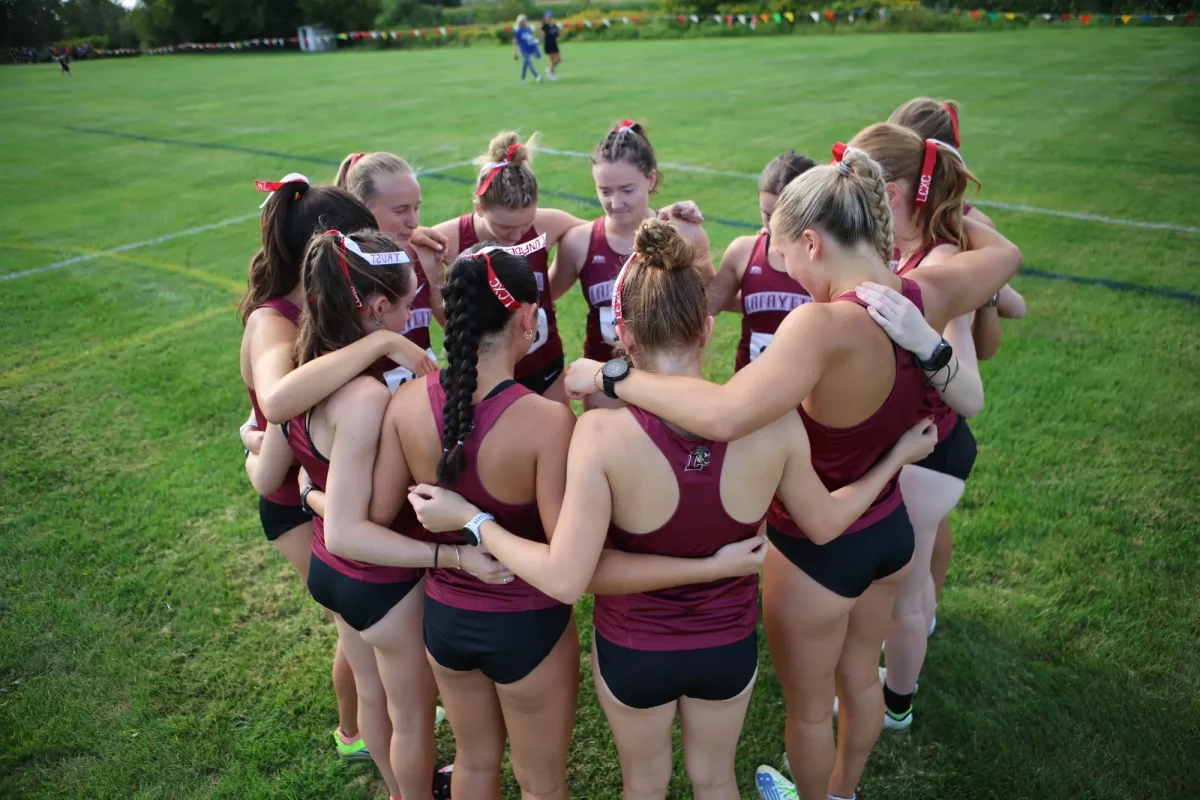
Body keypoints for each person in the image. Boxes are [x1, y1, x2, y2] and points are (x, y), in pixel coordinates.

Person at [407, 219, 938, 800]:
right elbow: (828, 522)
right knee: (715, 780)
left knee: (645, 784)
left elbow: (575, 573)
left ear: (624, 337)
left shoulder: (599, 435)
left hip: (636, 649)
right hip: (726, 646)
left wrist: (474, 522)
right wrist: (894, 461)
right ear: (708, 327)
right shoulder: (774, 423)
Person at [563, 148, 1022, 800]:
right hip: (890, 527)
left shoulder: (818, 325)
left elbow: (723, 415)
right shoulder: (926, 290)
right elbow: (1006, 258)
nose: (787, 270)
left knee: (810, 709)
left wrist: (613, 375)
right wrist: (943, 193)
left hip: (819, 550)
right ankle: (843, 793)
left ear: (813, 240)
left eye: (787, 254)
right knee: (862, 679)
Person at [356, 244, 578, 800]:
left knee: (474, 764)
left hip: (447, 621)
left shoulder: (406, 403)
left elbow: (378, 517)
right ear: (526, 316)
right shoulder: (547, 422)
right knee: (540, 781)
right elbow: (562, 553)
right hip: (530, 623)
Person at [247, 228, 457, 800]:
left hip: (330, 567)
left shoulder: (302, 365)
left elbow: (275, 474)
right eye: (410, 299)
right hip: (378, 572)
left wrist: (289, 473)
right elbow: (355, 525)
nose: (415, 310)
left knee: (372, 697)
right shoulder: (365, 394)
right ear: (380, 307)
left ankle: (397, 792)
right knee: (412, 717)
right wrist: (449, 553)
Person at [846, 122, 996, 732]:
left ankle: (896, 704)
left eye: (859, 184)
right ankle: (897, 682)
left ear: (896, 189)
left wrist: (921, 334)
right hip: (911, 447)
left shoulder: (940, 261)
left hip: (929, 452)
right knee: (906, 584)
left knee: (905, 593)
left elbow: (971, 390)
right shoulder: (897, 247)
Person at [887, 97, 1028, 605]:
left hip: (935, 409)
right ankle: (923, 618)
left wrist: (978, 290)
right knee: (928, 528)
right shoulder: (949, 222)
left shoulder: (960, 228)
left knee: (918, 539)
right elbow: (1016, 304)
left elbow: (1012, 304)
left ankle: (915, 624)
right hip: (937, 408)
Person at [549, 119, 712, 408]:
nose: (615, 202)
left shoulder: (684, 231)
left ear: (650, 179)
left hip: (668, 381)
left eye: (627, 189)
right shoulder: (579, 242)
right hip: (606, 383)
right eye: (605, 191)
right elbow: (543, 297)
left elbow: (711, 296)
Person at [335, 151, 446, 390]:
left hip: (427, 404)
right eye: (401, 210)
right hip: (369, 412)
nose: (414, 221)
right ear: (362, 207)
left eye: (416, 208)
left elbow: (449, 320)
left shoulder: (424, 254)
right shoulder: (336, 271)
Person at [707, 151, 816, 372]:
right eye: (767, 215)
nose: (773, 227)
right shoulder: (744, 252)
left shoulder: (829, 260)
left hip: (809, 400)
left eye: (783, 216)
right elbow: (708, 305)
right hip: (748, 395)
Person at [513, 15, 543, 84]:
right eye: (522, 22)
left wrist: (537, 41)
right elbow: (515, 43)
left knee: (526, 63)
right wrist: (515, 53)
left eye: (524, 21)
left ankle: (523, 77)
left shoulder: (528, 29)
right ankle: (537, 76)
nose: (523, 23)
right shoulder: (518, 32)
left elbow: (532, 38)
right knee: (529, 63)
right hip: (524, 50)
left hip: (532, 48)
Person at [542, 11, 562, 80]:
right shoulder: (544, 26)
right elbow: (543, 34)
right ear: (545, 17)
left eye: (550, 17)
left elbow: (558, 33)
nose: (550, 18)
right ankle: (552, 74)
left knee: (558, 60)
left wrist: (558, 31)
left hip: (554, 44)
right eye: (548, 17)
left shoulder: (554, 25)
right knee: (552, 60)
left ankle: (549, 70)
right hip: (548, 44)